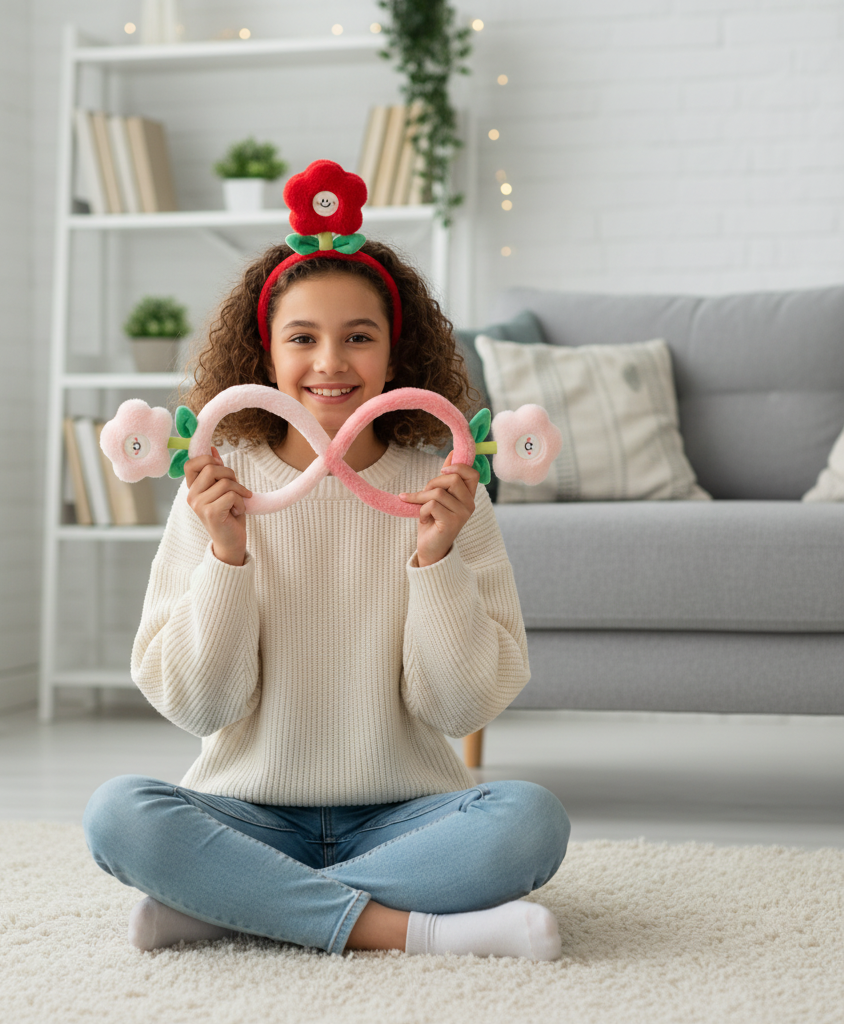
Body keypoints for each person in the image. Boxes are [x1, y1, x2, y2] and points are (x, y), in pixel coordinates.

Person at [83, 163, 569, 960]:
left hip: (409, 808)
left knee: (532, 821)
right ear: (264, 352)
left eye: (358, 337)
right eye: (302, 338)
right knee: (116, 813)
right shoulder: (213, 485)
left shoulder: (447, 483)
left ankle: (233, 907)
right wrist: (228, 556)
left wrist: (435, 558)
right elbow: (198, 706)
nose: (330, 363)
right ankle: (407, 930)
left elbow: (462, 707)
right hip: (249, 810)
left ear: (394, 351)